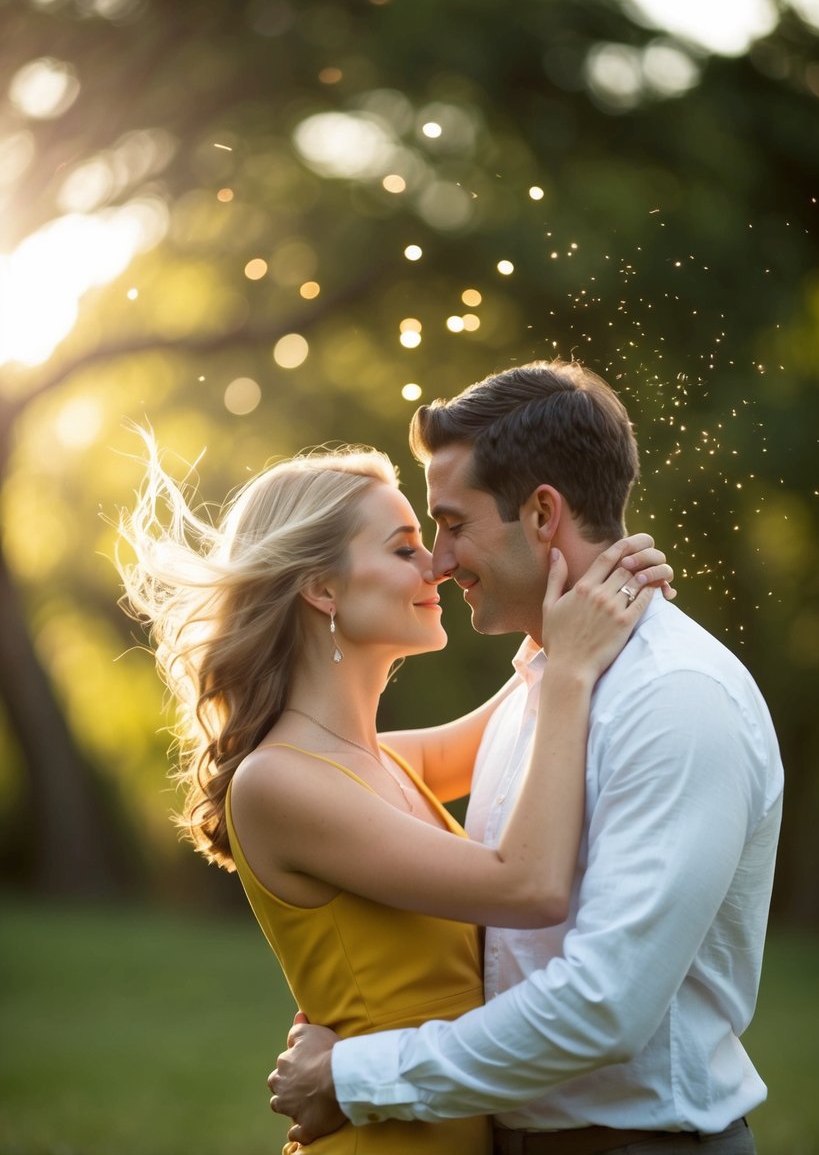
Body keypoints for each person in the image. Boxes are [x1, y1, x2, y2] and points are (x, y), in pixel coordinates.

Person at [269, 359, 783, 1155]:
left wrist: (357, 1074)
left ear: (541, 514)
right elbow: (345, 772)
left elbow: (604, 1006)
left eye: (451, 524)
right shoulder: (545, 682)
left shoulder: (675, 697)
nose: (439, 561)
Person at [116, 428, 673, 1155]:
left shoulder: (377, 762)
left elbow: (521, 703)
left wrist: (590, 574)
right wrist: (568, 665)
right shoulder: (279, 783)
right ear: (322, 588)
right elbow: (527, 884)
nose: (437, 566)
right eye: (404, 546)